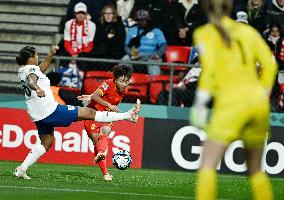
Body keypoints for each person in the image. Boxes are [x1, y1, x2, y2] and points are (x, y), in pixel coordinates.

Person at [190, 0, 277, 199]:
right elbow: (270, 65)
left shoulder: (203, 34)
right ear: (230, 8)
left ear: (206, 8)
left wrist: (201, 103)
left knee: (207, 166)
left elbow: (209, 71)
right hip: (258, 104)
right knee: (255, 171)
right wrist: (263, 93)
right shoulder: (249, 32)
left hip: (232, 103)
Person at [14, 46, 141, 180]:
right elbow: (32, 80)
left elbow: (40, 70)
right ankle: (128, 115)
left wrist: (50, 54)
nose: (38, 57)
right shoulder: (31, 72)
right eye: (36, 55)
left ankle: (22, 169)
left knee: (47, 141)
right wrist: (37, 88)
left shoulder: (22, 70)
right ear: (30, 58)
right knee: (89, 112)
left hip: (36, 113)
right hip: (50, 110)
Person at [77, 64, 135, 181]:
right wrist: (106, 103)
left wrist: (97, 99)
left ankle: (104, 166)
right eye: (121, 81)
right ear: (115, 79)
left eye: (127, 81)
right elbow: (96, 96)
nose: (124, 84)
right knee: (97, 142)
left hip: (107, 116)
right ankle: (104, 169)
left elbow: (101, 97)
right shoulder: (108, 83)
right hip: (93, 115)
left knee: (106, 131)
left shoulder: (124, 90)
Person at [123, 9, 167, 75]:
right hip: (136, 54)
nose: (142, 22)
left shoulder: (156, 31)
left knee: (154, 64)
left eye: (144, 20)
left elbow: (163, 45)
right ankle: (125, 82)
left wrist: (158, 55)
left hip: (152, 55)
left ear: (148, 20)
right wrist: (131, 53)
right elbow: (126, 46)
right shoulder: (132, 30)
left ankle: (154, 83)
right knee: (124, 60)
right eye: (139, 20)